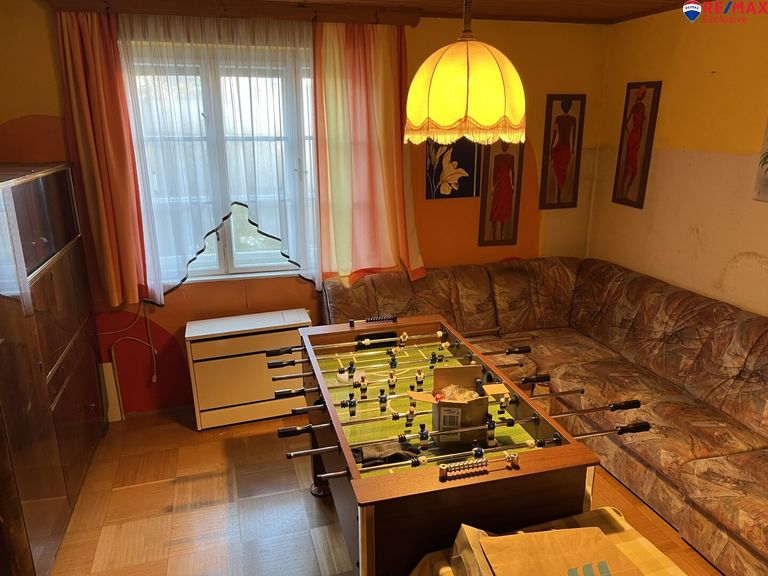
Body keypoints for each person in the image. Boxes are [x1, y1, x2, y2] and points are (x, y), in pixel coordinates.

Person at [620, 85, 647, 199]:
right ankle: (625, 191)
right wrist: (638, 137)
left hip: (632, 136)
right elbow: (641, 124)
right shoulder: (641, 106)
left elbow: (626, 123)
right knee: (633, 169)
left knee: (629, 165)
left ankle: (623, 191)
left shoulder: (635, 106)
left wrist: (629, 133)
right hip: (636, 136)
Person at [549, 99, 578, 203]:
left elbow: (555, 133)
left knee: (559, 172)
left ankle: (559, 193)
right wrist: (572, 148)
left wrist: (551, 146)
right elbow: (573, 135)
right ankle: (559, 193)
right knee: (562, 172)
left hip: (560, 147)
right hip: (565, 148)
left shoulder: (559, 118)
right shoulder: (572, 119)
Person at [489, 142, 516, 241]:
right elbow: (494, 172)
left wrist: (512, 185)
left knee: (503, 207)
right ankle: (494, 235)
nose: (504, 146)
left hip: (505, 184)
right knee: (496, 207)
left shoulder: (511, 157)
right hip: (499, 183)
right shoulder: (497, 157)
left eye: (505, 145)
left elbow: (513, 171)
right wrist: (493, 186)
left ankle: (501, 235)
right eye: (503, 145)